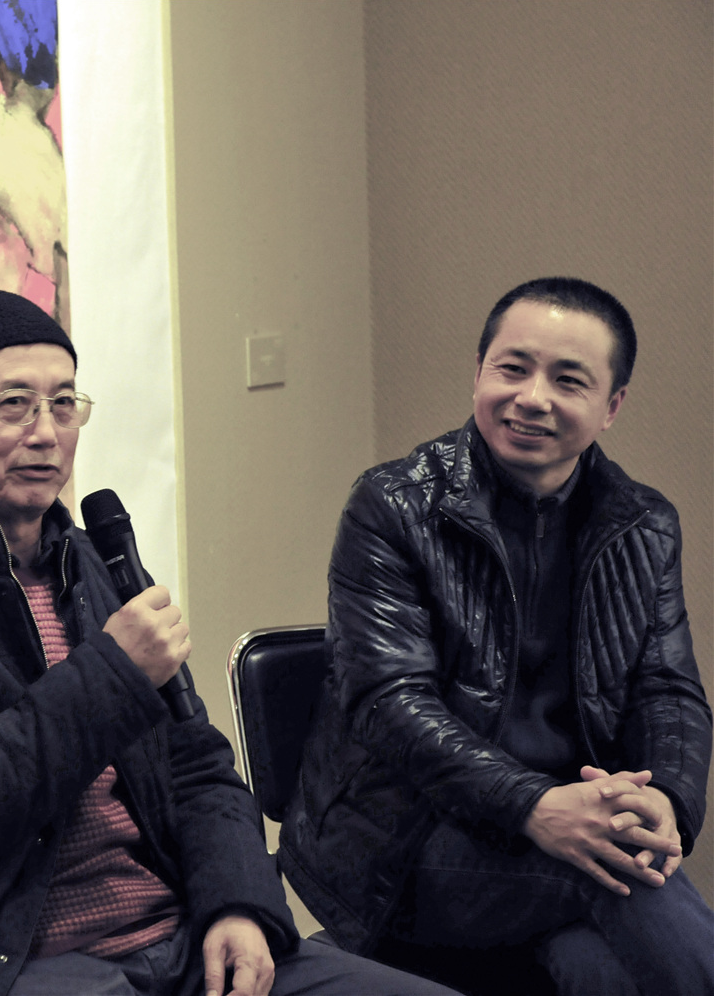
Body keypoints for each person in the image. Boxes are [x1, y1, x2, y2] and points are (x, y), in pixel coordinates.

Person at [0, 290, 457, 996]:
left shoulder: (92, 563)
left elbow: (197, 764)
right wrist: (113, 672)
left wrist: (238, 904)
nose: (46, 433)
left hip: (178, 940)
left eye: (64, 404)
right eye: (14, 404)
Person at [281, 277, 714, 994]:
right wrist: (533, 806)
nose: (532, 397)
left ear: (611, 406)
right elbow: (388, 703)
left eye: (568, 380)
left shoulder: (643, 522)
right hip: (406, 840)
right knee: (623, 881)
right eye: (512, 368)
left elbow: (668, 691)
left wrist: (667, 796)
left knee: (595, 965)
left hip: (566, 828)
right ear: (478, 373)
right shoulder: (393, 506)